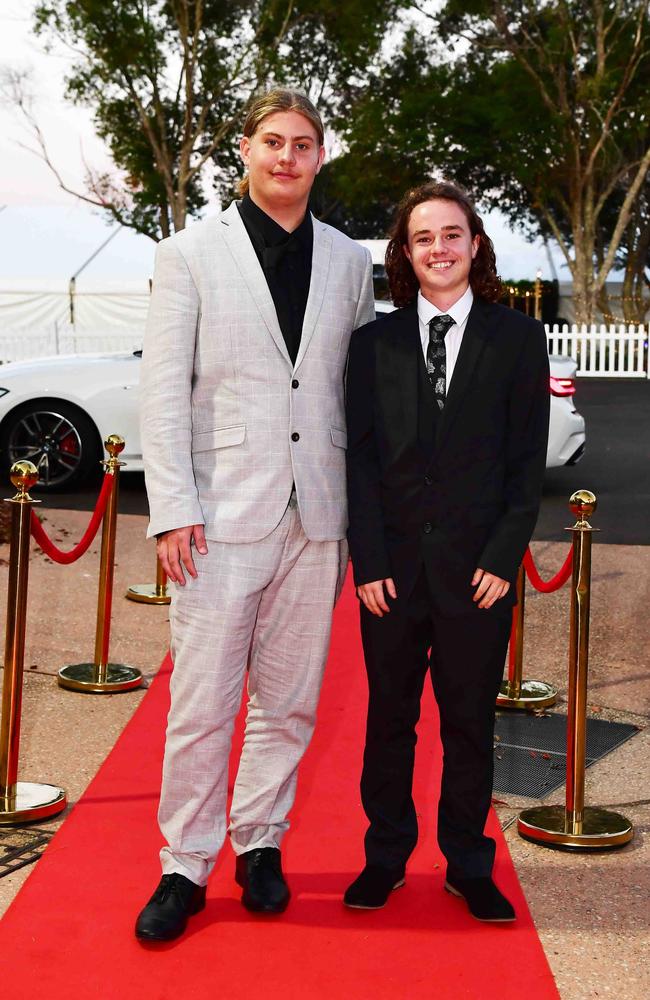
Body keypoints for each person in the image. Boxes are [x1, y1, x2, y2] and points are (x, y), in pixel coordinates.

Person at [135, 88, 374, 942]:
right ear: (244, 149)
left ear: (319, 156)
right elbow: (162, 391)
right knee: (203, 702)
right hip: (217, 512)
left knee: (291, 701)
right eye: (271, 141)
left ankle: (260, 844)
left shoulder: (350, 260)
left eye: (302, 144)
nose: (286, 156)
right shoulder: (189, 252)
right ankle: (184, 863)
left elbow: (352, 385)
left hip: (319, 511)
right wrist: (170, 511)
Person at [344, 181, 549, 922]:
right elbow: (360, 464)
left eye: (452, 234)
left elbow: (528, 466)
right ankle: (385, 857)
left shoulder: (518, 339)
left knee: (468, 723)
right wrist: (366, 562)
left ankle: (468, 864)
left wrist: (501, 556)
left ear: (475, 245)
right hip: (391, 578)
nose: (439, 248)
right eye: (423, 237)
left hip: (479, 576)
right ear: (404, 251)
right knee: (388, 720)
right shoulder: (372, 346)